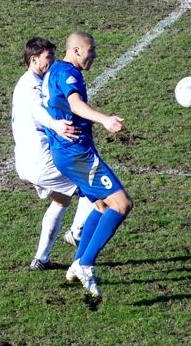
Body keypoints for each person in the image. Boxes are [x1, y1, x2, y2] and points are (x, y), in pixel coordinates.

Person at [43, 31, 133, 299]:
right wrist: (104, 119)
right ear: (77, 50)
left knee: (102, 205)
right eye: (91, 50)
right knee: (122, 204)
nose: (94, 55)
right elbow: (76, 103)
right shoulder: (70, 74)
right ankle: (85, 264)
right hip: (76, 154)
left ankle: (76, 262)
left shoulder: (56, 70)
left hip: (69, 152)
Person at [11, 37, 96, 270]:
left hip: (27, 160)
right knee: (91, 184)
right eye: (48, 57)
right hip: (41, 160)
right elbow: (38, 110)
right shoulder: (31, 85)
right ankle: (76, 233)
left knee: (62, 199)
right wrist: (56, 124)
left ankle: (41, 258)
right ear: (33, 59)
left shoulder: (31, 81)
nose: (52, 61)